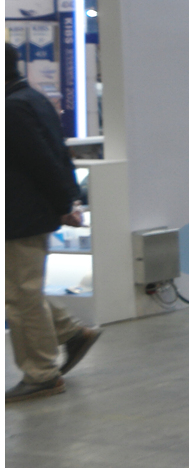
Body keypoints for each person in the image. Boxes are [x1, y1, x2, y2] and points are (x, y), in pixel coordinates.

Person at [6, 44, 100, 402]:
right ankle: (71, 333)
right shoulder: (32, 99)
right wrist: (67, 199)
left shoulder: (12, 108)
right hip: (27, 214)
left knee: (21, 297)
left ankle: (42, 373)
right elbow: (59, 153)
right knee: (23, 290)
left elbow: (42, 160)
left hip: (20, 217)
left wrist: (65, 203)